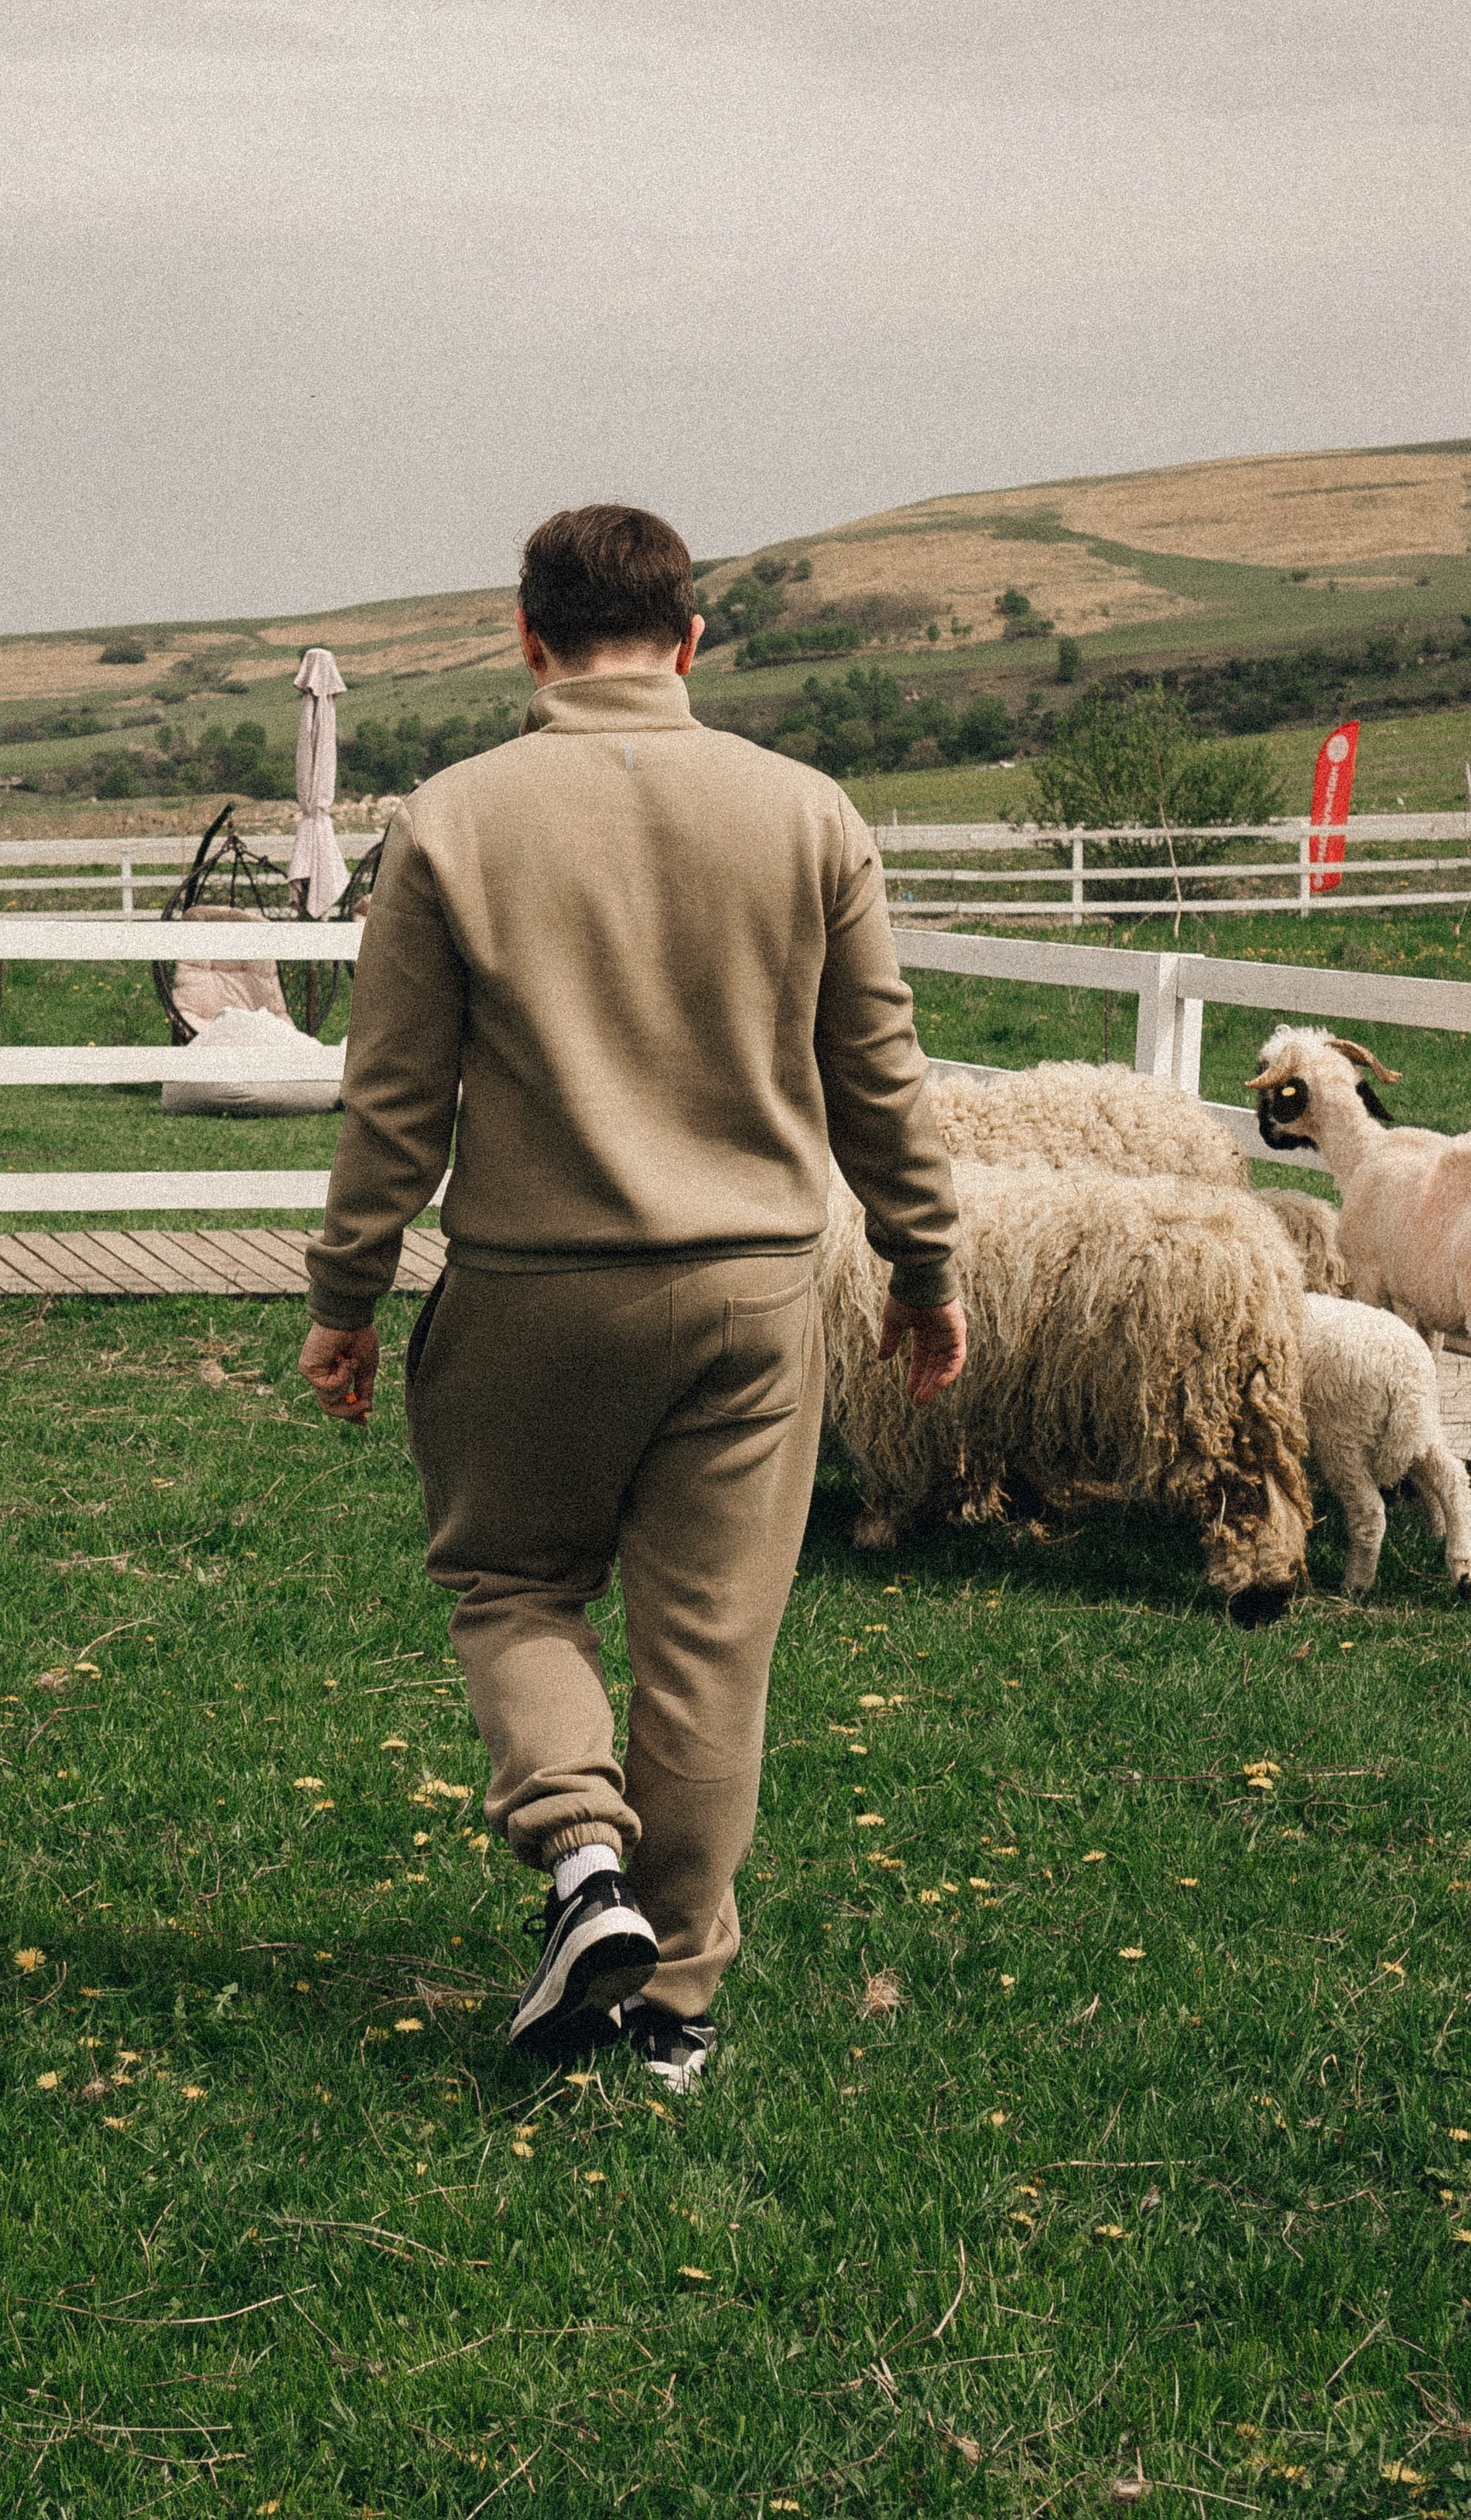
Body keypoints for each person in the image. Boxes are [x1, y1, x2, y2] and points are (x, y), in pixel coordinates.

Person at [298, 504, 965, 2090]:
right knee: (707, 1652)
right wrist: (925, 1263)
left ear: (526, 637)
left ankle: (578, 1860)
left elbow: (393, 1103)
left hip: (531, 1293)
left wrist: (345, 1295)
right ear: (689, 637)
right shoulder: (806, 815)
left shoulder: (455, 821)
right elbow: (878, 1079)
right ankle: (672, 2010)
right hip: (749, 1300)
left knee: (513, 1589)